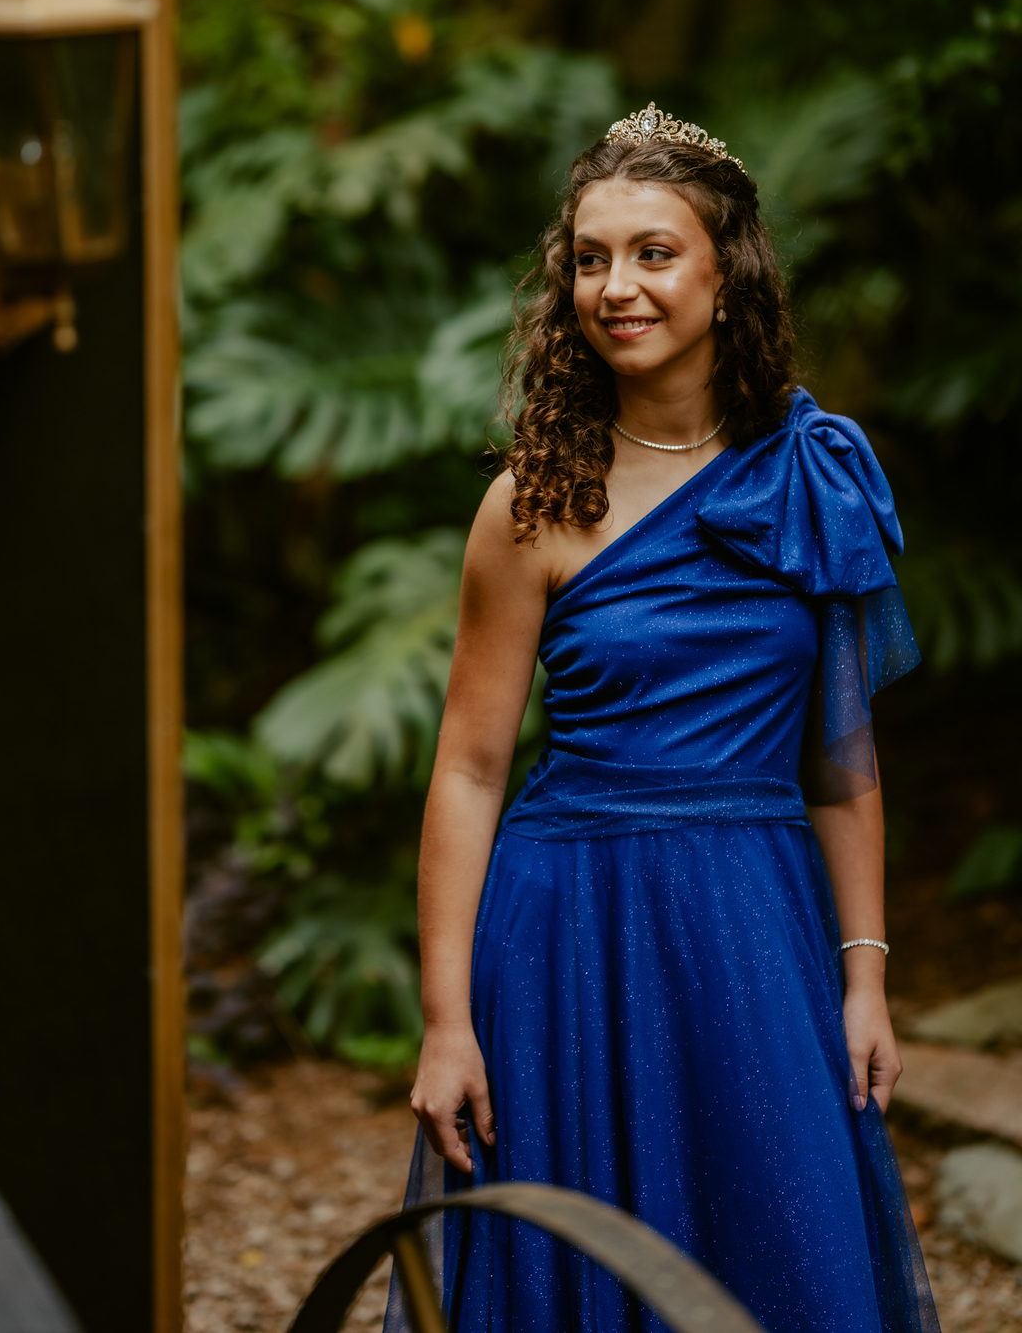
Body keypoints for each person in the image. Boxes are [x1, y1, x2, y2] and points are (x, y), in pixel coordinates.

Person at [386, 106, 939, 1333]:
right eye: (591, 259)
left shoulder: (812, 475)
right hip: (568, 929)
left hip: (756, 922)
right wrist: (446, 1022)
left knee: (781, 1239)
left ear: (726, 275)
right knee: (578, 1256)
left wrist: (865, 978)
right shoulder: (532, 504)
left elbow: (842, 760)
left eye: (653, 253)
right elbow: (469, 770)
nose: (617, 287)